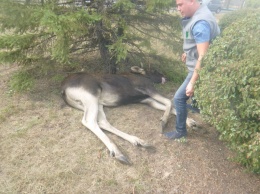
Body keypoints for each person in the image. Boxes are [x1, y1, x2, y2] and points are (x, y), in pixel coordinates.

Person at [164, 0, 220, 139]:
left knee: (178, 99)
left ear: (192, 1)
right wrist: (187, 52)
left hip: (200, 67)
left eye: (180, 4)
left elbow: (203, 56)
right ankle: (196, 106)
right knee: (190, 91)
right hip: (196, 62)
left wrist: (193, 82)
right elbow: (199, 43)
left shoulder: (200, 24)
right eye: (177, 5)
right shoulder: (199, 13)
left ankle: (180, 131)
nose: (178, 8)